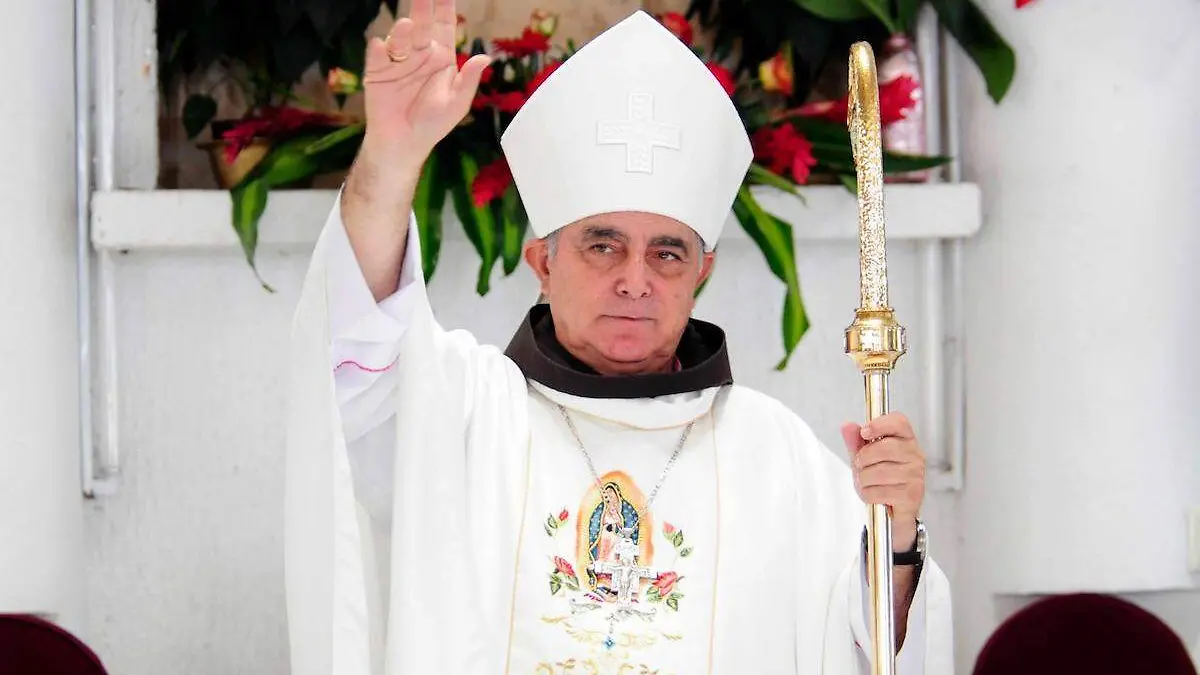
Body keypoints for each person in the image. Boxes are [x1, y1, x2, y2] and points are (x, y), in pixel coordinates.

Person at [283, 3, 953, 674]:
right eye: (603, 246)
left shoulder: (776, 457)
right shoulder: (466, 412)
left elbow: (877, 649)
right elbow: (355, 343)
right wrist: (391, 156)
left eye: (667, 254)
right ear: (543, 263)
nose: (636, 281)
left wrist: (894, 541)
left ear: (700, 274)